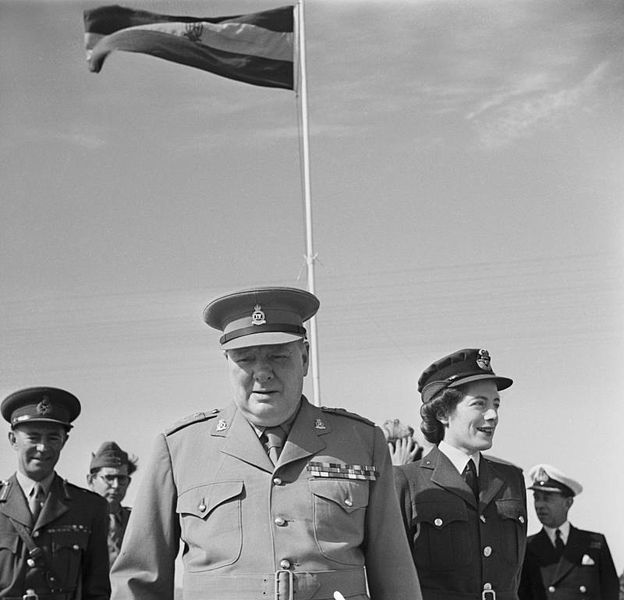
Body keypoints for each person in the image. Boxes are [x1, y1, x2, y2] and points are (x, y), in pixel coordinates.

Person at [111, 286, 422, 600]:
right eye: (245, 358)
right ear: (228, 363)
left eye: (277, 355)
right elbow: (139, 581)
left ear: (304, 358)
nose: (262, 374)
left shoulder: (361, 442)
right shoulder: (179, 448)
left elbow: (394, 572)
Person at [394, 348, 527, 600]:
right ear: (443, 413)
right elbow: (394, 578)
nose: (493, 415)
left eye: (496, 404)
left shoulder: (511, 480)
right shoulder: (405, 482)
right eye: (479, 404)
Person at [0, 386, 110, 599]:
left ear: (64, 441)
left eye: (52, 438)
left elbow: (97, 591)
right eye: (33, 437)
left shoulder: (88, 508)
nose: (43, 447)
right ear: (13, 440)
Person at [518, 464, 619, 600]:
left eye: (547, 498)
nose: (540, 505)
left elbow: (610, 592)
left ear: (568, 503)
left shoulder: (595, 543)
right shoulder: (526, 547)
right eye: (537, 497)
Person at [87, 441, 137, 568]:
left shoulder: (137, 522)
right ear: (91, 480)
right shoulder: (77, 521)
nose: (116, 486)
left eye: (121, 479)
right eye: (109, 478)